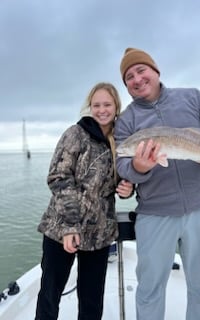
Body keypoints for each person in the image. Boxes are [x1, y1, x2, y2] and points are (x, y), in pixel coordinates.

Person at [114, 48, 200, 320]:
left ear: (156, 71)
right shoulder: (126, 120)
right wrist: (138, 167)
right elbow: (121, 162)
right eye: (129, 77)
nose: (137, 79)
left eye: (141, 70)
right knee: (149, 289)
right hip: (154, 214)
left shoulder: (193, 97)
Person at [35, 82, 133, 320]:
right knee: (50, 295)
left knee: (91, 302)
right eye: (96, 105)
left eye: (107, 104)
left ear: (116, 107)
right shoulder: (75, 134)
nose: (102, 110)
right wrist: (70, 226)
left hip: (99, 235)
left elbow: (124, 181)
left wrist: (127, 189)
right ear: (90, 107)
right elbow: (58, 178)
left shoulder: (121, 140)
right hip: (62, 230)